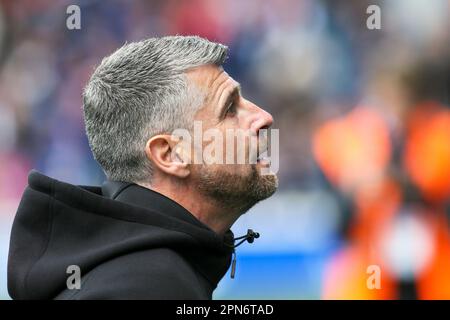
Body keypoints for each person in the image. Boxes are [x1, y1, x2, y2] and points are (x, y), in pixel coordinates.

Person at [7, 36, 278, 300]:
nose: (263, 118)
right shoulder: (148, 287)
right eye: (230, 108)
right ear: (170, 154)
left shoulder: (132, 271)